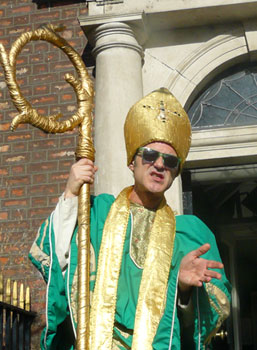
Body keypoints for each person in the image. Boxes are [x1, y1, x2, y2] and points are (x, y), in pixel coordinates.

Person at [29, 88, 231, 350]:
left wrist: (183, 290)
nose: (159, 165)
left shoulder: (191, 234)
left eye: (169, 161)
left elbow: (201, 326)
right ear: (132, 163)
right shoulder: (97, 213)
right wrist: (71, 193)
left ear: (176, 172)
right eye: (149, 155)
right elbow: (58, 257)